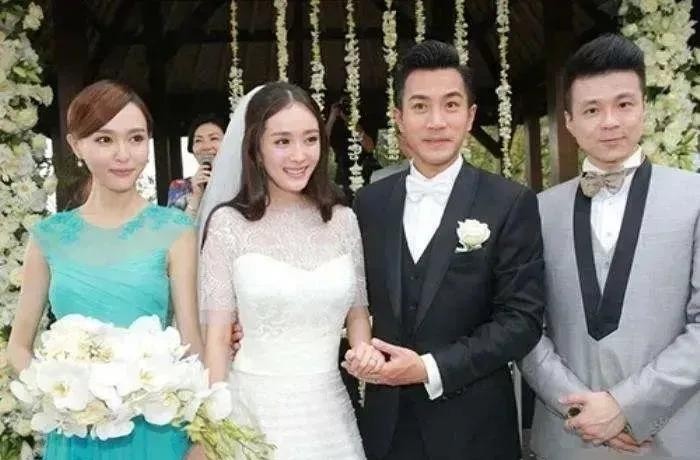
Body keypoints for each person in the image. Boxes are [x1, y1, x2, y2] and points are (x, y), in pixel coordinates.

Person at [346, 40, 545, 460]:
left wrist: (429, 368)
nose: (436, 121)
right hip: (386, 431)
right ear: (399, 118)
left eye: (451, 105)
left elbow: (521, 321)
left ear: (470, 116)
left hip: (475, 431)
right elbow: (349, 297)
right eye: (420, 106)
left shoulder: (509, 202)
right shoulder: (369, 204)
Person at [520, 34, 700, 459]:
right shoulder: (536, 211)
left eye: (623, 104)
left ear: (644, 108)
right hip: (568, 437)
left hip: (668, 438)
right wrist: (579, 408)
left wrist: (627, 407)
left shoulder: (694, 198)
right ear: (568, 121)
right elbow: (522, 324)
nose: (610, 122)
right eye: (591, 110)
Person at [7, 80, 204, 460]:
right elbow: (18, 346)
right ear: (75, 145)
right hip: (76, 433)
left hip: (156, 429)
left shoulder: (175, 230)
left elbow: (191, 340)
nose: (123, 155)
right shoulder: (48, 237)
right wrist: (60, 393)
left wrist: (202, 435)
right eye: (104, 140)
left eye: (136, 138)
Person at [199, 82, 381, 459]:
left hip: (329, 416)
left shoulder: (343, 221)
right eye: (282, 141)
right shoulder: (228, 225)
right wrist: (214, 426)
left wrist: (363, 352)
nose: (299, 155)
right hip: (252, 414)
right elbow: (216, 338)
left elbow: (358, 313)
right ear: (256, 148)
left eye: (310, 139)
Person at [167, 114, 226, 217]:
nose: (206, 147)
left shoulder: (242, 183)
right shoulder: (179, 187)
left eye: (214, 138)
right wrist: (196, 196)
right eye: (198, 140)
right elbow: (174, 227)